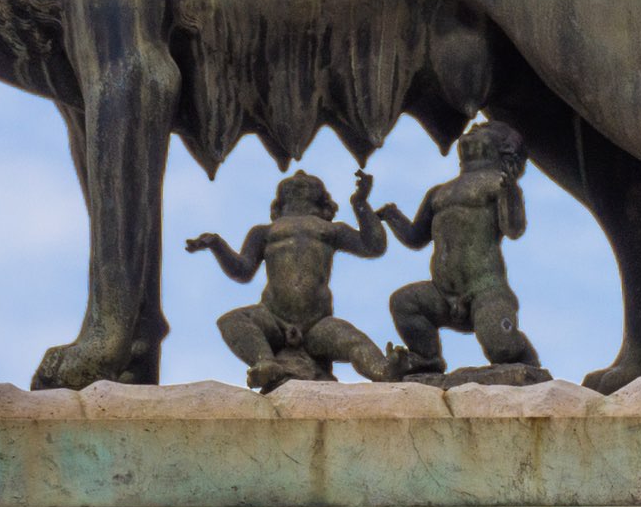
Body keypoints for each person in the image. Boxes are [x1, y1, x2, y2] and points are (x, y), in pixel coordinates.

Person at [367, 118, 543, 379]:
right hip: (441, 295)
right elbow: (417, 237)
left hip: (485, 291)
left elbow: (513, 229)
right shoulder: (439, 192)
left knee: (501, 347)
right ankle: (427, 358)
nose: (472, 131)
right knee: (404, 302)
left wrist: (510, 195)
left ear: (502, 147)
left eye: (482, 130)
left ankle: (527, 361)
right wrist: (393, 217)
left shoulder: (498, 184)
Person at [184, 169, 392, 388]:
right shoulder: (264, 232)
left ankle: (384, 370)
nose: (299, 176)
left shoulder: (331, 229)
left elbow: (374, 246)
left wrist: (360, 202)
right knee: (231, 321)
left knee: (353, 340)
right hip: (273, 318)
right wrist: (217, 245)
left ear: (324, 203)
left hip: (317, 324)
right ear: (279, 204)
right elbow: (242, 270)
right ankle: (266, 363)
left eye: (307, 183)